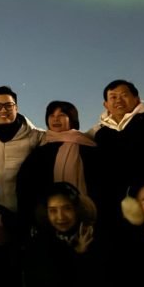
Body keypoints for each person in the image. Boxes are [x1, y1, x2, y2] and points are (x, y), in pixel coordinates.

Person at [89, 79, 144, 230]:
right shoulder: (102, 134)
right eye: (113, 97)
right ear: (106, 104)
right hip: (116, 209)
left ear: (136, 99)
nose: (119, 100)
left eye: (124, 95)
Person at [17, 100, 100, 235]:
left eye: (61, 115)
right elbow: (26, 189)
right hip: (48, 225)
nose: (55, 119)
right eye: (51, 115)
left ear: (72, 118)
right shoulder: (39, 152)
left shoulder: (89, 149)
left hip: (89, 224)